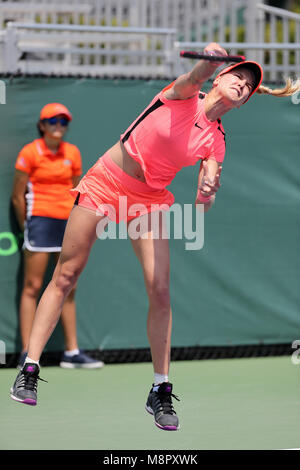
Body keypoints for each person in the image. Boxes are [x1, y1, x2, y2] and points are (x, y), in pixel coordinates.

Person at [10, 43, 300, 430]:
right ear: (220, 76)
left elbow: (202, 203)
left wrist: (208, 191)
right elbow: (193, 77)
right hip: (106, 182)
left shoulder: (216, 141)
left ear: (244, 102)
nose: (243, 85)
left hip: (148, 200)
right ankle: (30, 367)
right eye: (239, 76)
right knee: (66, 274)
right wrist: (206, 62)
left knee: (160, 288)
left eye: (249, 86)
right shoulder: (181, 94)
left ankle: (160, 389)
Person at [11, 102, 104, 370]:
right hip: (39, 221)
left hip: (67, 222)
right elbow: (18, 196)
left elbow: (77, 191)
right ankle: (28, 352)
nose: (58, 127)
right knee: (32, 286)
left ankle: (72, 352)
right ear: (42, 125)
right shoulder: (29, 153)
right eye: (53, 122)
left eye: (63, 122)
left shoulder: (72, 153)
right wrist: (27, 226)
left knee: (68, 286)